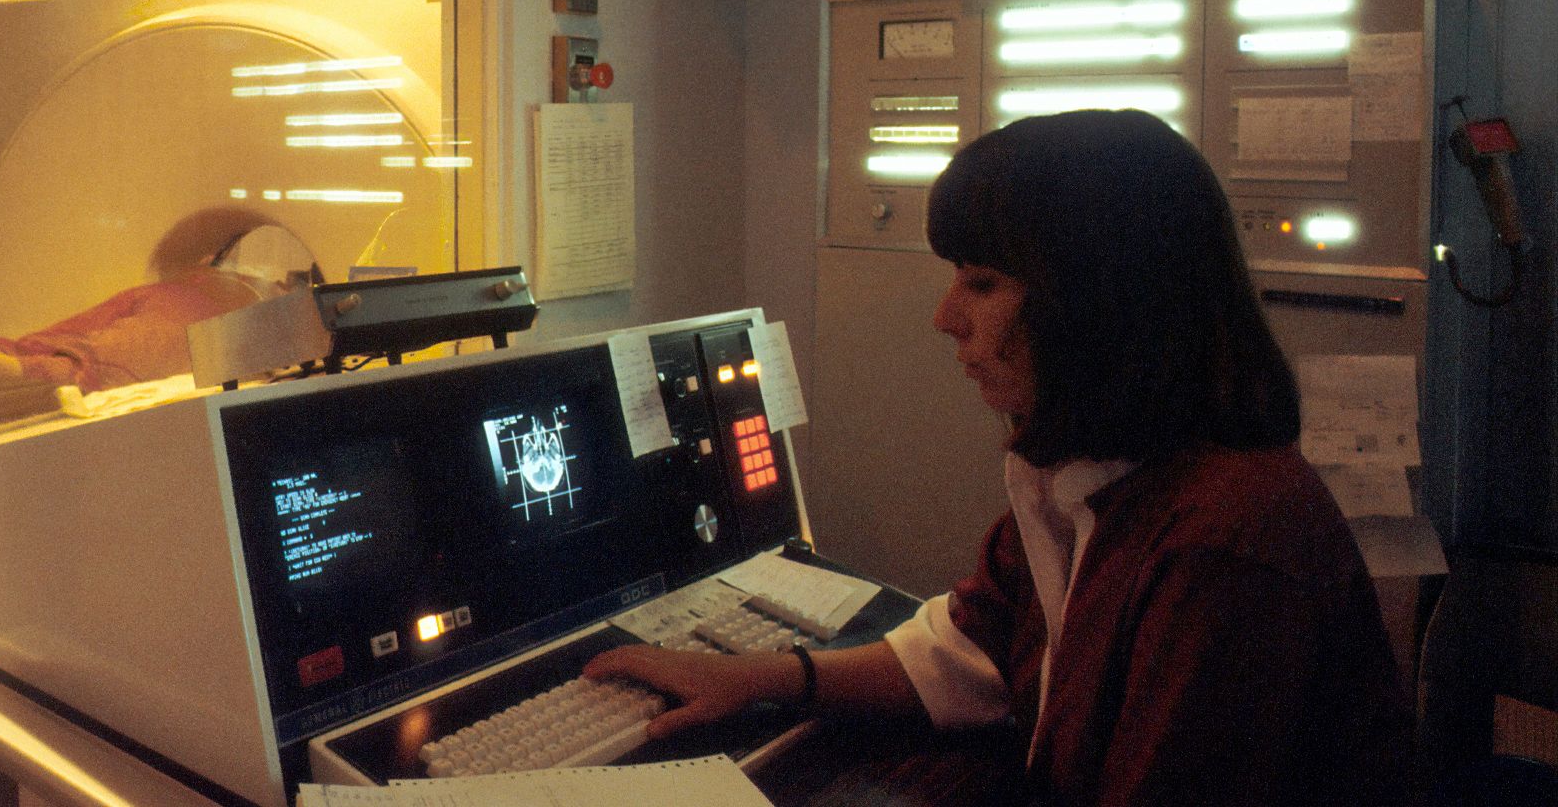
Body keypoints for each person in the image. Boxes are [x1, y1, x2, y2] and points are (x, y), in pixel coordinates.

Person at [584, 110, 1412, 805]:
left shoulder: (1225, 542)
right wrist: (765, 678)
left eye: (981, 284)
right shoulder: (1091, 475)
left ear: (1098, 302)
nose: (946, 318)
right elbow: (977, 648)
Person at [0, 215, 322, 394]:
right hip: (194, 291)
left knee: (105, 353)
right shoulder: (258, 278)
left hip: (215, 309)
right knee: (74, 338)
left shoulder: (294, 313)